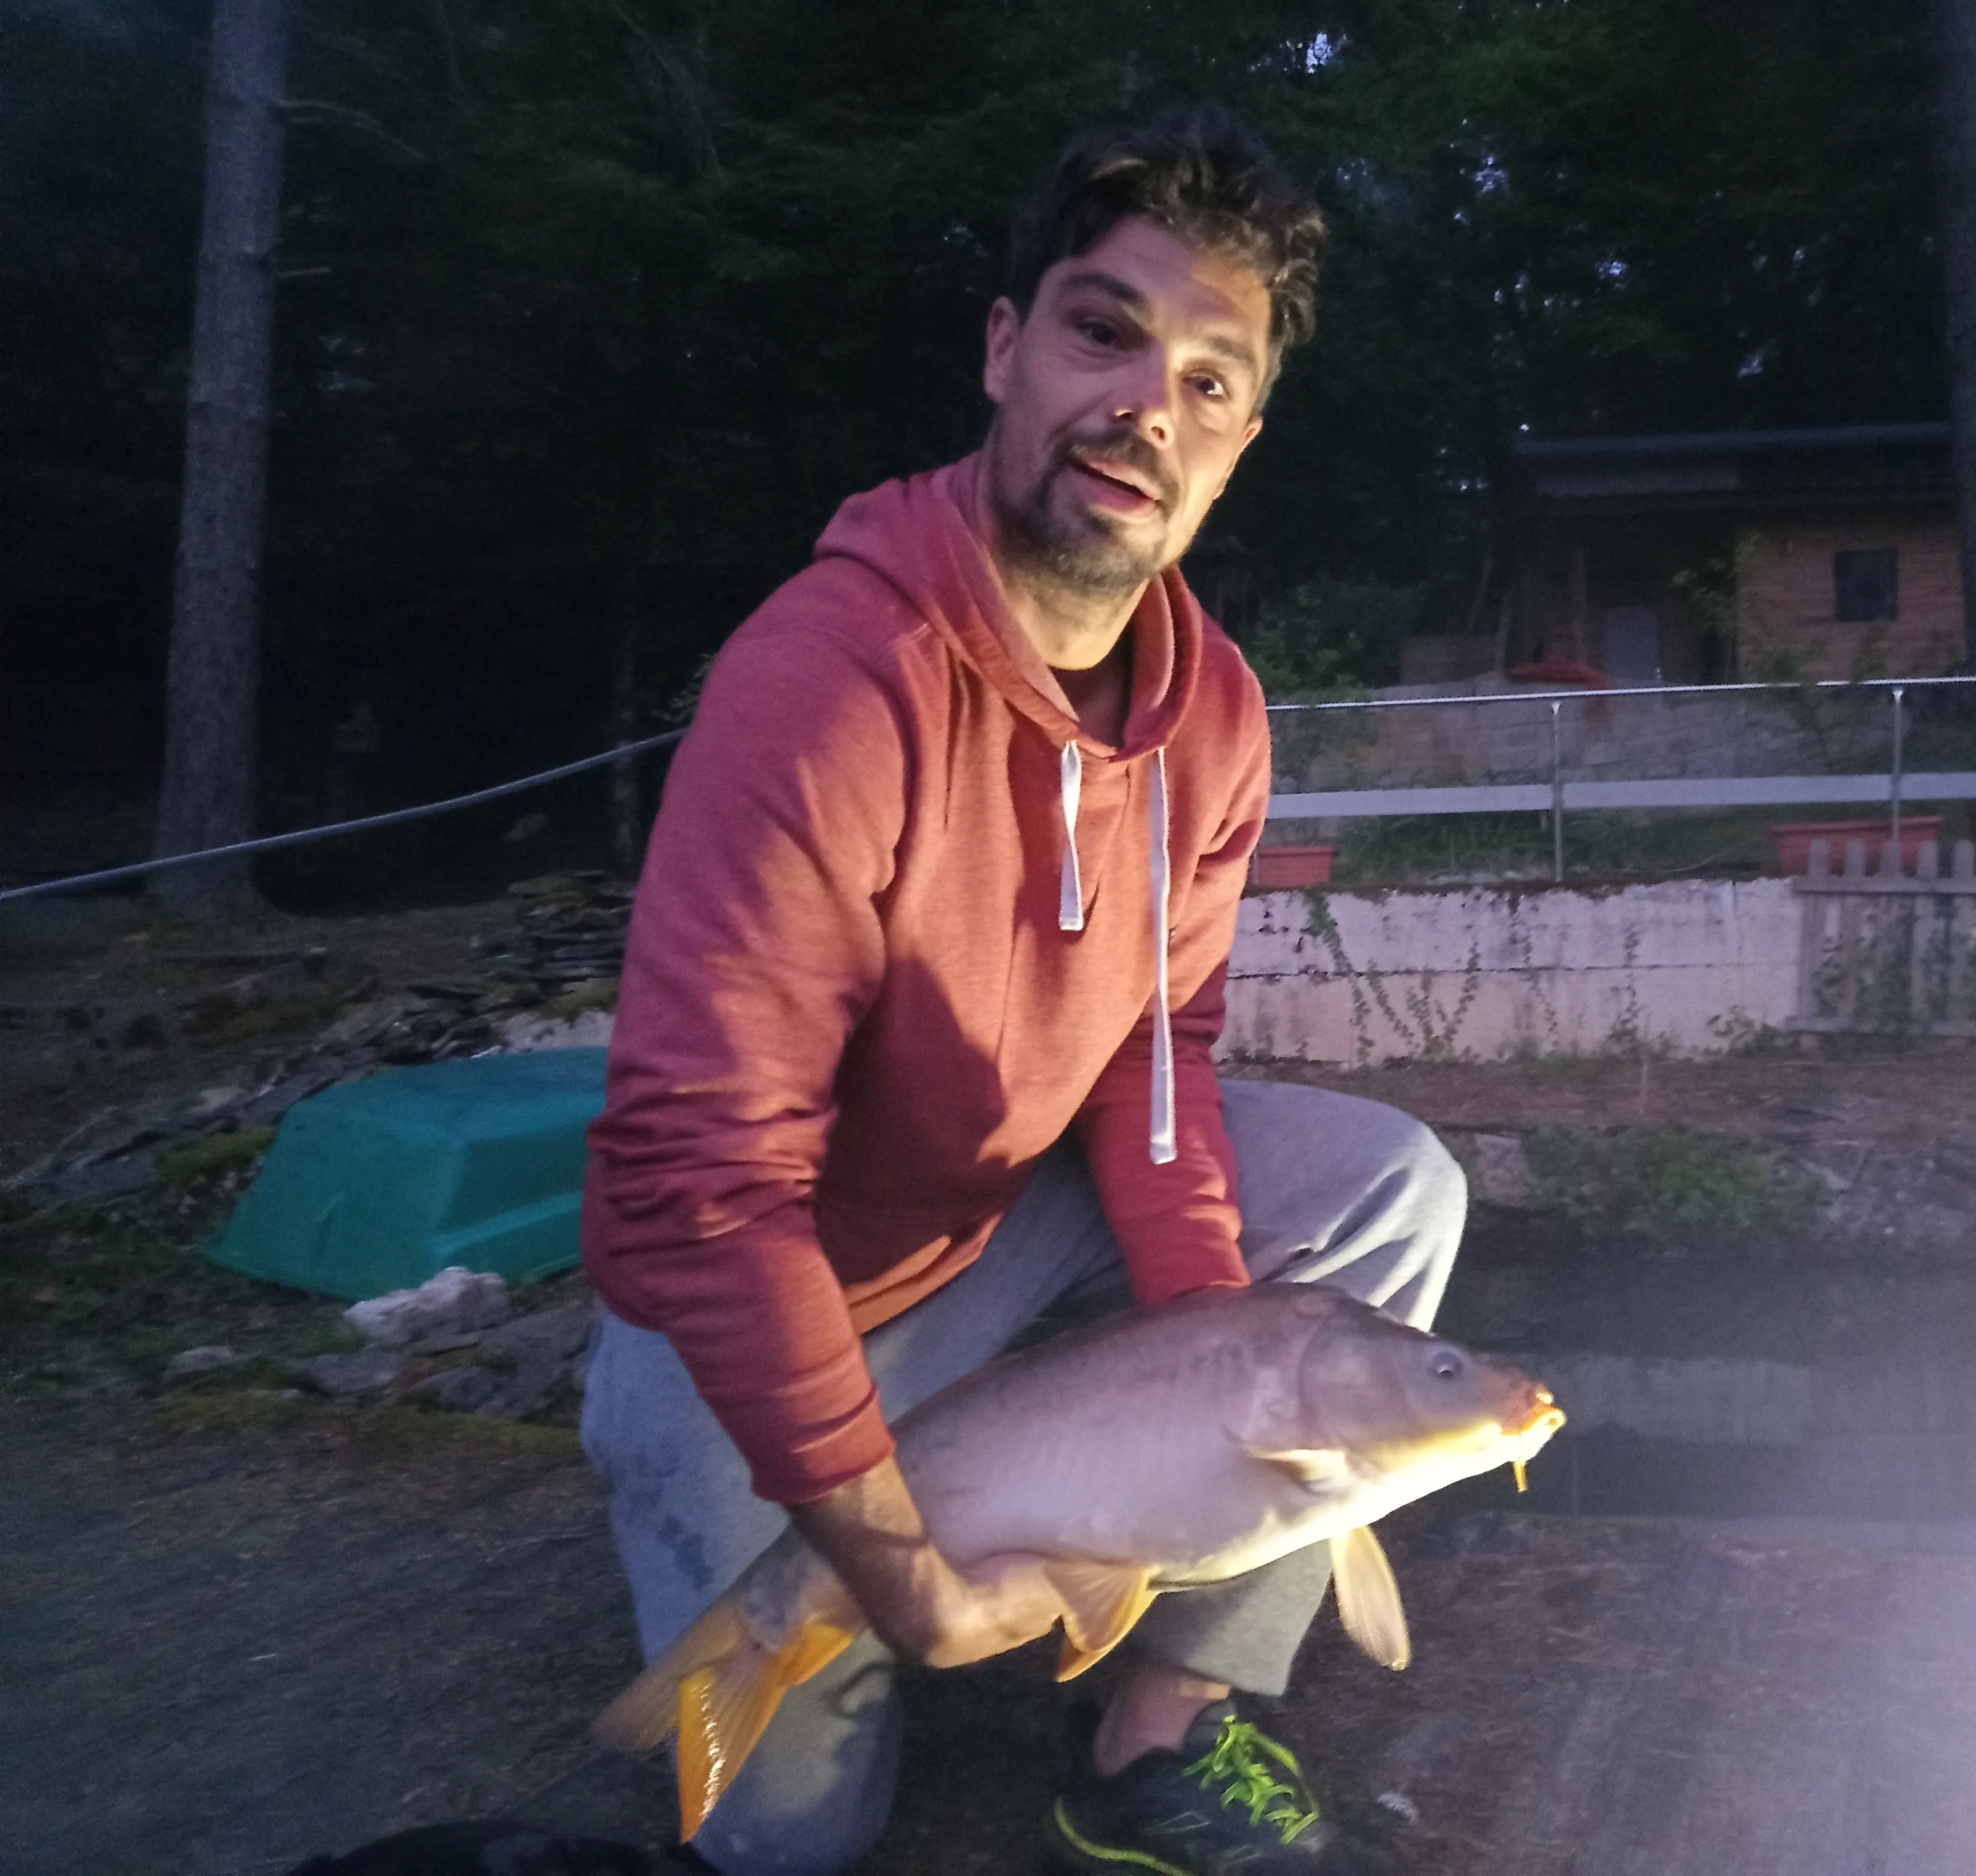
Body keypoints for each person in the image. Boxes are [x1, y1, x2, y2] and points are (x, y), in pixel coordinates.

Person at [579, 104, 1463, 1876]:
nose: (1150, 408)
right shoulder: (831, 682)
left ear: (1240, 445)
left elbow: (1159, 1051)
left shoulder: (1214, 715)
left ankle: (1160, 1726)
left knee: (1387, 1190)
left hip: (1000, 1223)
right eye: (1104, 332)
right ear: (1006, 349)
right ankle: (799, 1511)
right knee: (783, 1839)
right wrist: (897, 1568)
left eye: (1210, 381)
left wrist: (1219, 1354)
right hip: (780, 1288)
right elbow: (701, 1178)